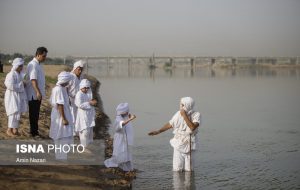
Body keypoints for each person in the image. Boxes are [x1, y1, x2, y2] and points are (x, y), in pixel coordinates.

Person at [148, 97, 201, 172]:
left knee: (189, 170)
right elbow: (170, 124)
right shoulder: (178, 114)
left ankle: (189, 183)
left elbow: (192, 127)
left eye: (182, 105)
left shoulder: (196, 115)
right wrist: (158, 131)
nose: (181, 106)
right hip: (178, 143)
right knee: (177, 169)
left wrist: (184, 115)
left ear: (187, 105)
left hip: (190, 144)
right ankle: (177, 183)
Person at [104, 103, 136, 171]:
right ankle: (121, 165)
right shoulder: (118, 119)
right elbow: (121, 124)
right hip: (120, 139)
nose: (127, 112)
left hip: (125, 139)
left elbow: (126, 119)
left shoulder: (124, 116)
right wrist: (130, 119)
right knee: (120, 151)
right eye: (126, 112)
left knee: (126, 152)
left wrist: (129, 117)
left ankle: (127, 167)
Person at [49, 71, 73, 160]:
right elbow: (60, 105)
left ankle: (62, 156)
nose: (69, 82)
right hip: (60, 115)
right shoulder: (58, 89)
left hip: (62, 113)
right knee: (61, 135)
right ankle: (61, 157)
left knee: (64, 134)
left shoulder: (62, 88)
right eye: (68, 80)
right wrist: (63, 118)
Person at [25, 47, 47, 137]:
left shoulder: (38, 64)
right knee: (33, 113)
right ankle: (33, 132)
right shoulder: (33, 65)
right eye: (43, 56)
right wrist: (38, 92)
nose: (44, 58)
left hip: (37, 93)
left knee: (36, 113)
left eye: (45, 56)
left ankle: (35, 131)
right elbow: (33, 80)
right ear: (38, 55)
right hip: (33, 94)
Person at [4, 58, 28, 136]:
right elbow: (9, 85)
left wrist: (24, 84)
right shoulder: (11, 74)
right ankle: (9, 130)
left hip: (18, 96)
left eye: (22, 65)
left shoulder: (20, 74)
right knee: (13, 112)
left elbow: (23, 83)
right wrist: (21, 85)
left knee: (17, 112)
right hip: (12, 96)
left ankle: (15, 130)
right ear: (16, 66)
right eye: (20, 66)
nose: (21, 67)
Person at [74, 79, 97, 147]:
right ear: (81, 87)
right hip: (82, 115)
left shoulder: (89, 93)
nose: (86, 89)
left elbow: (91, 101)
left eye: (87, 87)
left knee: (89, 130)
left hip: (89, 115)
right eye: (85, 87)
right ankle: (83, 145)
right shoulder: (79, 94)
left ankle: (88, 144)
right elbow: (79, 105)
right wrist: (90, 103)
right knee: (84, 130)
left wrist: (94, 102)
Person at [67, 60, 85, 134]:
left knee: (78, 115)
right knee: (72, 116)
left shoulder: (81, 77)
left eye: (81, 70)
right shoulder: (70, 76)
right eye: (79, 69)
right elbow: (66, 88)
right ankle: (72, 132)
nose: (80, 71)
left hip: (79, 100)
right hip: (71, 99)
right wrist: (67, 98)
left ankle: (77, 131)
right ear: (75, 68)